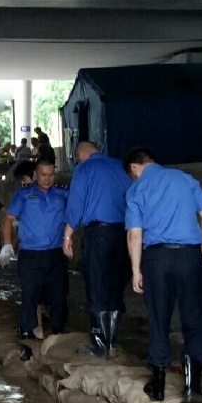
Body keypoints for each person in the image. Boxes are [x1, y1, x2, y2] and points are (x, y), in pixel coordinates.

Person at [125, 148, 202, 403]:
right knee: (196, 319)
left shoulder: (136, 189)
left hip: (157, 259)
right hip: (190, 257)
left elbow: (134, 234)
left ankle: (159, 386)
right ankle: (193, 388)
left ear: (134, 168)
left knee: (158, 319)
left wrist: (135, 270)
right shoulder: (185, 178)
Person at [62, 141, 132, 358]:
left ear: (80, 154)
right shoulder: (122, 166)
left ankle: (100, 345)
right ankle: (112, 342)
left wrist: (68, 234)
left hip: (99, 233)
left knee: (97, 283)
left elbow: (76, 202)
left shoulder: (85, 168)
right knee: (115, 285)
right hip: (125, 232)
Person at [0, 158, 68, 340]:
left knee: (58, 295)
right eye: (43, 175)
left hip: (56, 253)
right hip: (31, 254)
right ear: (35, 175)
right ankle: (27, 335)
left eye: (51, 175)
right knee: (30, 295)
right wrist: (7, 244)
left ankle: (58, 334)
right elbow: (8, 219)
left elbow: (75, 213)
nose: (47, 179)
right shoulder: (24, 195)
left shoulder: (62, 194)